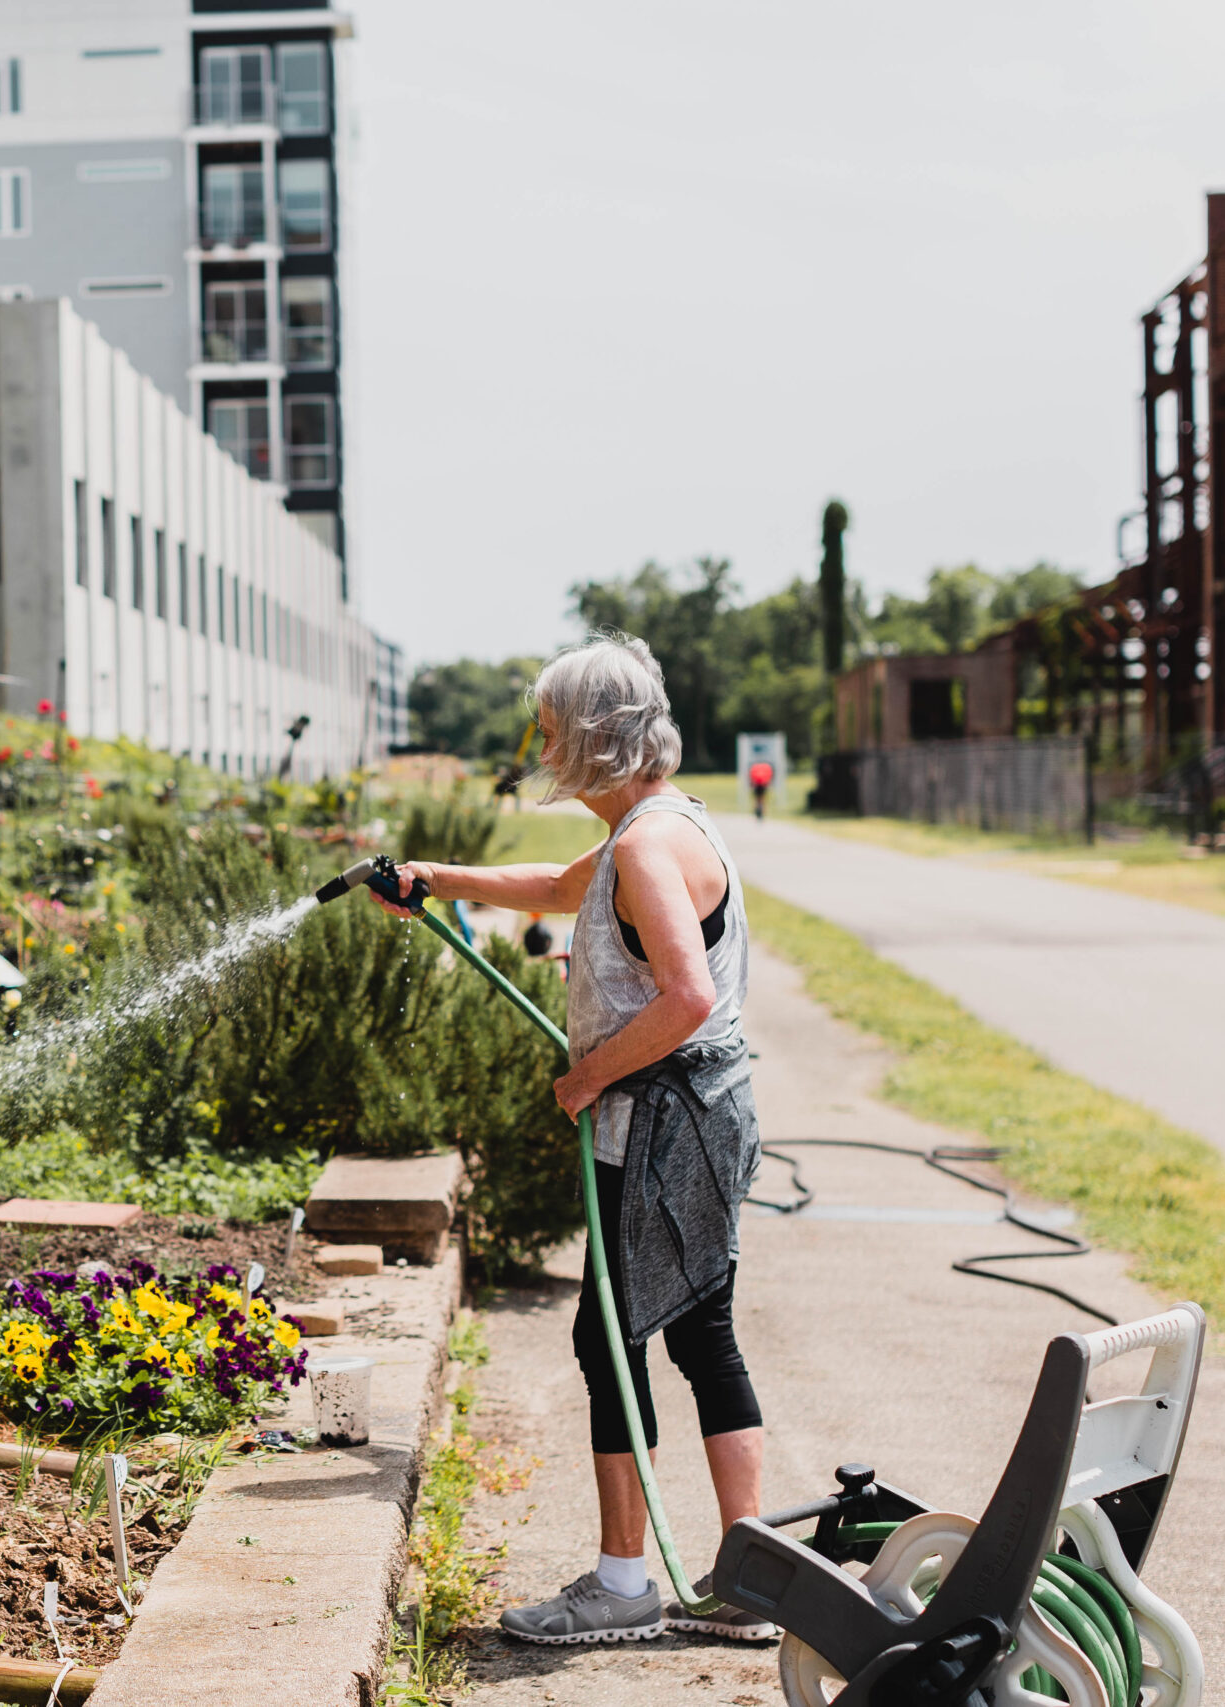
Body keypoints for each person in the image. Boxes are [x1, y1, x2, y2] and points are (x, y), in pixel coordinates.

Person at [374, 635, 773, 1646]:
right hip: (691, 1123)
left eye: (549, 725)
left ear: (592, 735)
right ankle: (751, 1577)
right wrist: (434, 879)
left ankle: (624, 1585)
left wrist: (589, 1073)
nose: (539, 740)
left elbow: (684, 997)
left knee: (614, 1341)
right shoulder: (656, 828)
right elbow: (561, 888)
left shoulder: (645, 845)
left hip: (662, 1130)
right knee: (695, 1337)